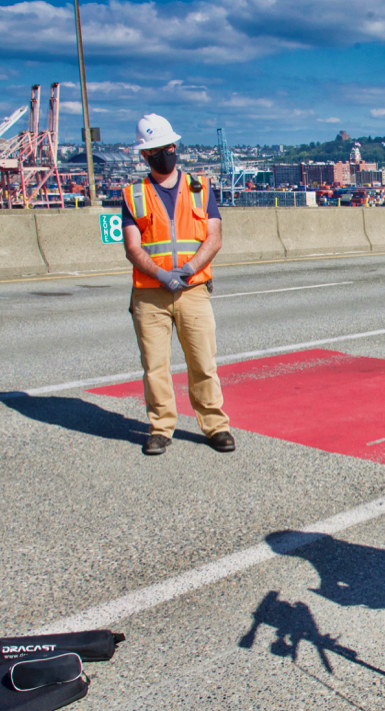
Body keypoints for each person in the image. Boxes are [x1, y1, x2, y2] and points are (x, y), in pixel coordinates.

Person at [121, 113, 234, 456]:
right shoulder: (132, 194)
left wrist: (184, 272)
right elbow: (132, 246)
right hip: (150, 293)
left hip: (193, 289)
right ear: (145, 154)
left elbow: (213, 238)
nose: (163, 153)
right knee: (155, 366)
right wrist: (161, 275)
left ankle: (215, 426)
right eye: (155, 149)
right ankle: (160, 428)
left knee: (203, 362)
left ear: (176, 146)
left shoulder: (199, 187)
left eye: (167, 146)